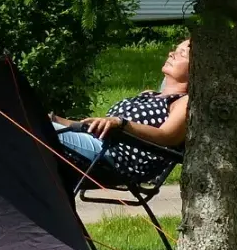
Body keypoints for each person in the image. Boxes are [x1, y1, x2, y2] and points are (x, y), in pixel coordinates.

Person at [50, 39, 191, 181]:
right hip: (97, 145)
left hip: (116, 158)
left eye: (182, 53)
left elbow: (167, 136)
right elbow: (90, 127)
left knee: (40, 132)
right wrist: (54, 119)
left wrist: (121, 123)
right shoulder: (148, 94)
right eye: (175, 50)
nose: (171, 53)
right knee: (39, 123)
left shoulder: (184, 102)